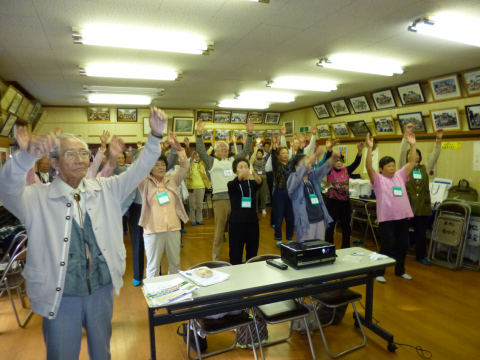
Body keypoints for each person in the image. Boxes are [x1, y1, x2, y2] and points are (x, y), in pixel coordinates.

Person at [0, 107, 167, 360]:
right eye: (71, 154)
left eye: (83, 153)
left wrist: (155, 136)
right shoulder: (37, 198)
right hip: (61, 292)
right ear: (54, 162)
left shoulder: (105, 188)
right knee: (62, 353)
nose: (80, 159)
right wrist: (26, 157)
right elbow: (6, 188)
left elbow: (138, 170)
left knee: (102, 351)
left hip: (101, 289)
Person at [195, 118, 254, 261]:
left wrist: (250, 133)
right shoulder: (212, 162)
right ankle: (216, 259)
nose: (224, 149)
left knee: (237, 231)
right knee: (219, 231)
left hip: (236, 199)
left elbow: (246, 150)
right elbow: (201, 151)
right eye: (221, 148)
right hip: (220, 200)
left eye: (226, 148)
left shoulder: (233, 161)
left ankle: (236, 256)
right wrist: (198, 135)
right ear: (215, 151)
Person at [125, 140, 179, 286]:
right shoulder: (132, 171)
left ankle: (157, 275)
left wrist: (173, 148)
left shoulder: (157, 172)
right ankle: (137, 275)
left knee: (156, 243)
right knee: (138, 243)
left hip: (157, 210)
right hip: (137, 208)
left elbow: (171, 161)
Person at [365, 132, 416, 283]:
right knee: (387, 247)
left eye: (393, 166)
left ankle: (400, 271)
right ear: (381, 169)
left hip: (403, 217)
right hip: (387, 219)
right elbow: (368, 166)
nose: (392, 168)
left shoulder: (400, 176)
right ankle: (379, 272)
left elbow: (411, 162)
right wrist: (369, 148)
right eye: (389, 166)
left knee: (402, 246)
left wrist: (412, 144)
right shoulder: (378, 179)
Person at [138, 146, 189, 277]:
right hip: (153, 229)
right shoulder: (144, 182)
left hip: (173, 227)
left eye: (163, 164)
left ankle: (176, 292)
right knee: (153, 266)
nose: (161, 167)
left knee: (175, 265)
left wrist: (180, 152)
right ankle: (154, 295)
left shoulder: (172, 179)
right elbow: (135, 171)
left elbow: (184, 167)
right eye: (156, 165)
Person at [399, 124, 443, 266]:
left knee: (420, 234)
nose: (415, 155)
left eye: (417, 154)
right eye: (412, 154)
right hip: (406, 207)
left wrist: (438, 141)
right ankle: (400, 254)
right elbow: (401, 153)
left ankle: (420, 256)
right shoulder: (404, 169)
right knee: (402, 232)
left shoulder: (425, 168)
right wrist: (406, 137)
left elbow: (435, 157)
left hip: (422, 207)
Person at [287, 146, 340, 241]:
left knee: (319, 248)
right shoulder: (293, 180)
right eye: (304, 162)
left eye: (309, 162)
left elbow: (325, 167)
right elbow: (299, 172)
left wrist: (333, 158)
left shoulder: (312, 177)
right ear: (296, 167)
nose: (309, 164)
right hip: (306, 222)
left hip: (320, 219)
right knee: (307, 250)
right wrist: (315, 155)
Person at [324, 139, 364, 248]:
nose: (339, 163)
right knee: (330, 226)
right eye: (336, 161)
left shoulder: (346, 170)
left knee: (346, 226)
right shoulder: (329, 170)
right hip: (332, 202)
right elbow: (327, 160)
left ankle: (345, 247)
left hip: (345, 202)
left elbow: (356, 163)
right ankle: (329, 247)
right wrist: (329, 149)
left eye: (340, 161)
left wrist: (359, 151)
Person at [227, 158, 263, 265]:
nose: (244, 169)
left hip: (252, 221)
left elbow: (260, 183)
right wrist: (240, 177)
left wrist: (258, 178)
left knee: (252, 251)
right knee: (235, 252)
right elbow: (233, 186)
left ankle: (251, 274)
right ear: (235, 171)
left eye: (246, 167)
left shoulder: (251, 183)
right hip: (236, 222)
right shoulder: (232, 184)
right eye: (240, 167)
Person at [271, 134, 295, 247]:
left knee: (290, 218)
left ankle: (289, 238)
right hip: (279, 192)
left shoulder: (290, 165)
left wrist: (294, 145)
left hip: (290, 192)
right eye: (283, 153)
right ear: (278, 155)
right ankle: (278, 239)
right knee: (279, 217)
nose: (285, 155)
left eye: (287, 153)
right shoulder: (276, 165)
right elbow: (273, 157)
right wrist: (275, 145)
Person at [186, 150, 211, 225]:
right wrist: (192, 157)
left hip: (201, 186)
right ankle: (193, 220)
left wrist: (211, 147)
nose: (196, 158)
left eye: (198, 156)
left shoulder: (202, 164)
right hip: (191, 187)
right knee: (192, 205)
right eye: (195, 156)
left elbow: (207, 155)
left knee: (200, 204)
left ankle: (199, 219)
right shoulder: (189, 164)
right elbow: (189, 161)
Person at [251, 137, 269, 215]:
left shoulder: (265, 159)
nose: (259, 154)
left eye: (260, 153)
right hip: (255, 178)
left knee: (263, 193)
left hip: (263, 178)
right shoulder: (254, 159)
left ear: (262, 154)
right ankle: (255, 208)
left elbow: (269, 153)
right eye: (258, 153)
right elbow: (253, 154)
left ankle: (263, 208)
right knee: (256, 193)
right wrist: (257, 145)